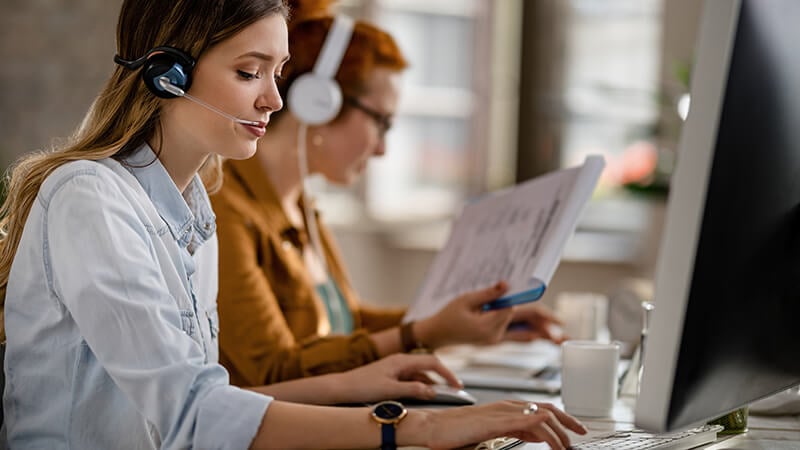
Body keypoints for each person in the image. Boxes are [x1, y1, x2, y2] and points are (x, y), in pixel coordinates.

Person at [0, 0, 586, 448]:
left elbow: (207, 396)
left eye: (278, 72)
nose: (276, 101)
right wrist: (416, 426)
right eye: (250, 73)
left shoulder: (194, 203)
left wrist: (351, 386)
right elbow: (191, 414)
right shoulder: (91, 201)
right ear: (167, 75)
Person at [211, 0, 565, 388]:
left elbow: (349, 322)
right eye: (381, 122)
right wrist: (424, 333)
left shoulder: (299, 206)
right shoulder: (226, 208)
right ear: (319, 104)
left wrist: (459, 318)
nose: (382, 149)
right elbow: (274, 373)